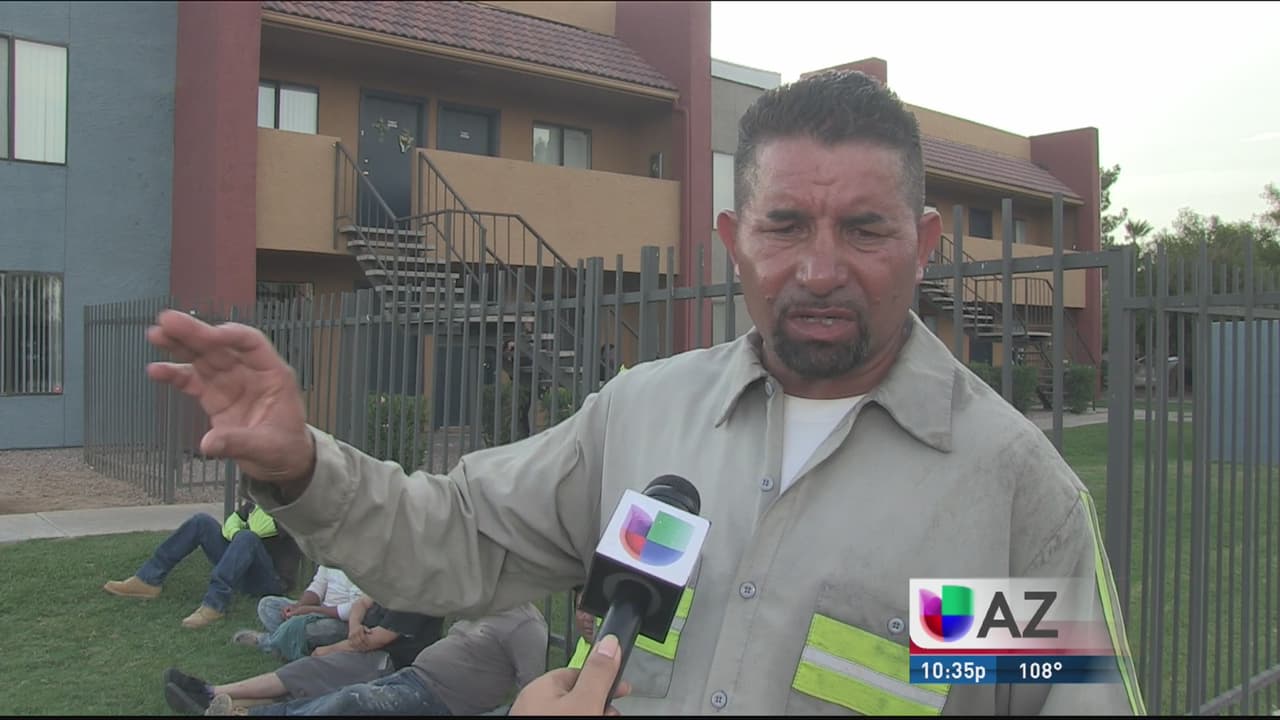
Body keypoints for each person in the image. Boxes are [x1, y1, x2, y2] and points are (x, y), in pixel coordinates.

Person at [142, 69, 1145, 715]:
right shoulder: (643, 416)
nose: (819, 268)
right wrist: (304, 467)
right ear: (733, 241)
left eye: (865, 229)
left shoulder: (1009, 498)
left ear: (923, 245)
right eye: (785, 224)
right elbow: (460, 534)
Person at [203, 602, 549, 716]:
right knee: (341, 696)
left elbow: (533, 692)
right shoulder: (482, 607)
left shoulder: (526, 626)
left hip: (441, 699)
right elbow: (362, 601)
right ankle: (245, 712)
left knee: (354, 699)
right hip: (416, 677)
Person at [162, 594, 442, 715]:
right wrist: (355, 626)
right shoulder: (396, 575)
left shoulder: (420, 591)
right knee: (304, 679)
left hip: (387, 663)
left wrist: (330, 649)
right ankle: (216, 702)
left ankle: (211, 693)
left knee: (306, 672)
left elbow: (376, 640)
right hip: (360, 644)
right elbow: (361, 602)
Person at [103, 498, 301, 629]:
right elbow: (232, 521)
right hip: (241, 568)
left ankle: (215, 604)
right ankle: (148, 580)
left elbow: (259, 528)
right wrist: (235, 531)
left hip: (270, 581)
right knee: (201, 522)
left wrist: (240, 529)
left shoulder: (295, 504)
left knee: (247, 537)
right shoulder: (262, 497)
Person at [233, 564, 362, 661]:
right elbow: (318, 586)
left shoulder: (361, 563)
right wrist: (298, 606)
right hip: (318, 610)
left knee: (315, 627)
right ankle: (291, 646)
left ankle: (268, 643)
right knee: (268, 605)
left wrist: (311, 610)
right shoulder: (331, 555)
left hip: (344, 622)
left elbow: (354, 609)